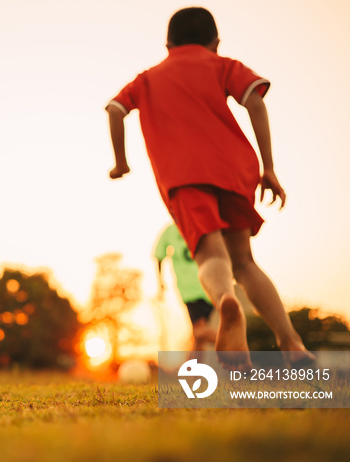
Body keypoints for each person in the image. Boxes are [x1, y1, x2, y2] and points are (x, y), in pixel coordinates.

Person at [105, 7, 312, 370]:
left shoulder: (149, 78)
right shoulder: (223, 65)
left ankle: (225, 302)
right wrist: (269, 167)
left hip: (185, 178)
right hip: (235, 171)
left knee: (212, 256)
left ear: (168, 43)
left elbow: (115, 109)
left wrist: (121, 162)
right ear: (215, 42)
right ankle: (292, 342)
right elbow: (255, 101)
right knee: (245, 261)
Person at [154, 223, 216, 355]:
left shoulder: (170, 230)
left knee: (199, 331)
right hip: (211, 285)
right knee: (199, 337)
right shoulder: (199, 223)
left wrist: (160, 282)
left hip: (191, 290)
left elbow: (158, 255)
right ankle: (191, 374)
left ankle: (234, 345)